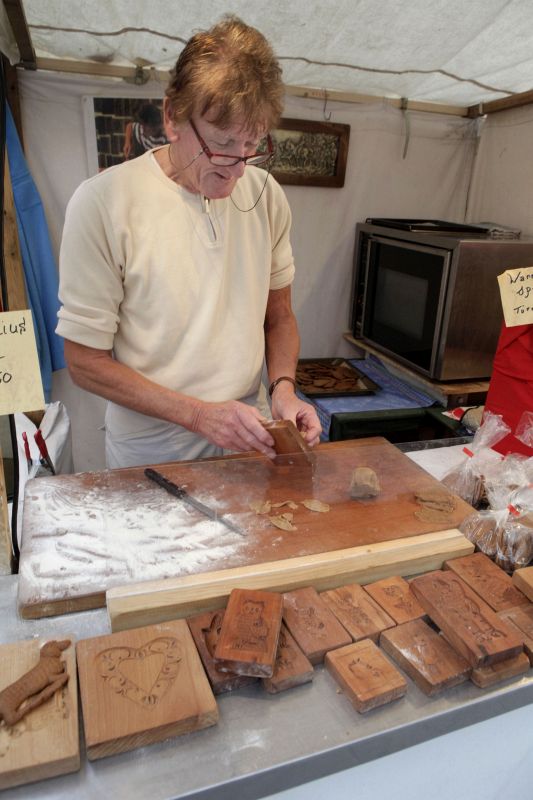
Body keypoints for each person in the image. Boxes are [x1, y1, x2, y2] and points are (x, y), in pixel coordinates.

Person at [56, 15, 322, 468]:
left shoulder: (266, 195)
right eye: (223, 144)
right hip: (153, 447)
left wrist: (283, 389)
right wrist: (198, 415)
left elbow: (278, 317)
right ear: (172, 117)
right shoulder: (104, 202)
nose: (238, 168)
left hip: (250, 433)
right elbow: (84, 362)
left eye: (252, 145)